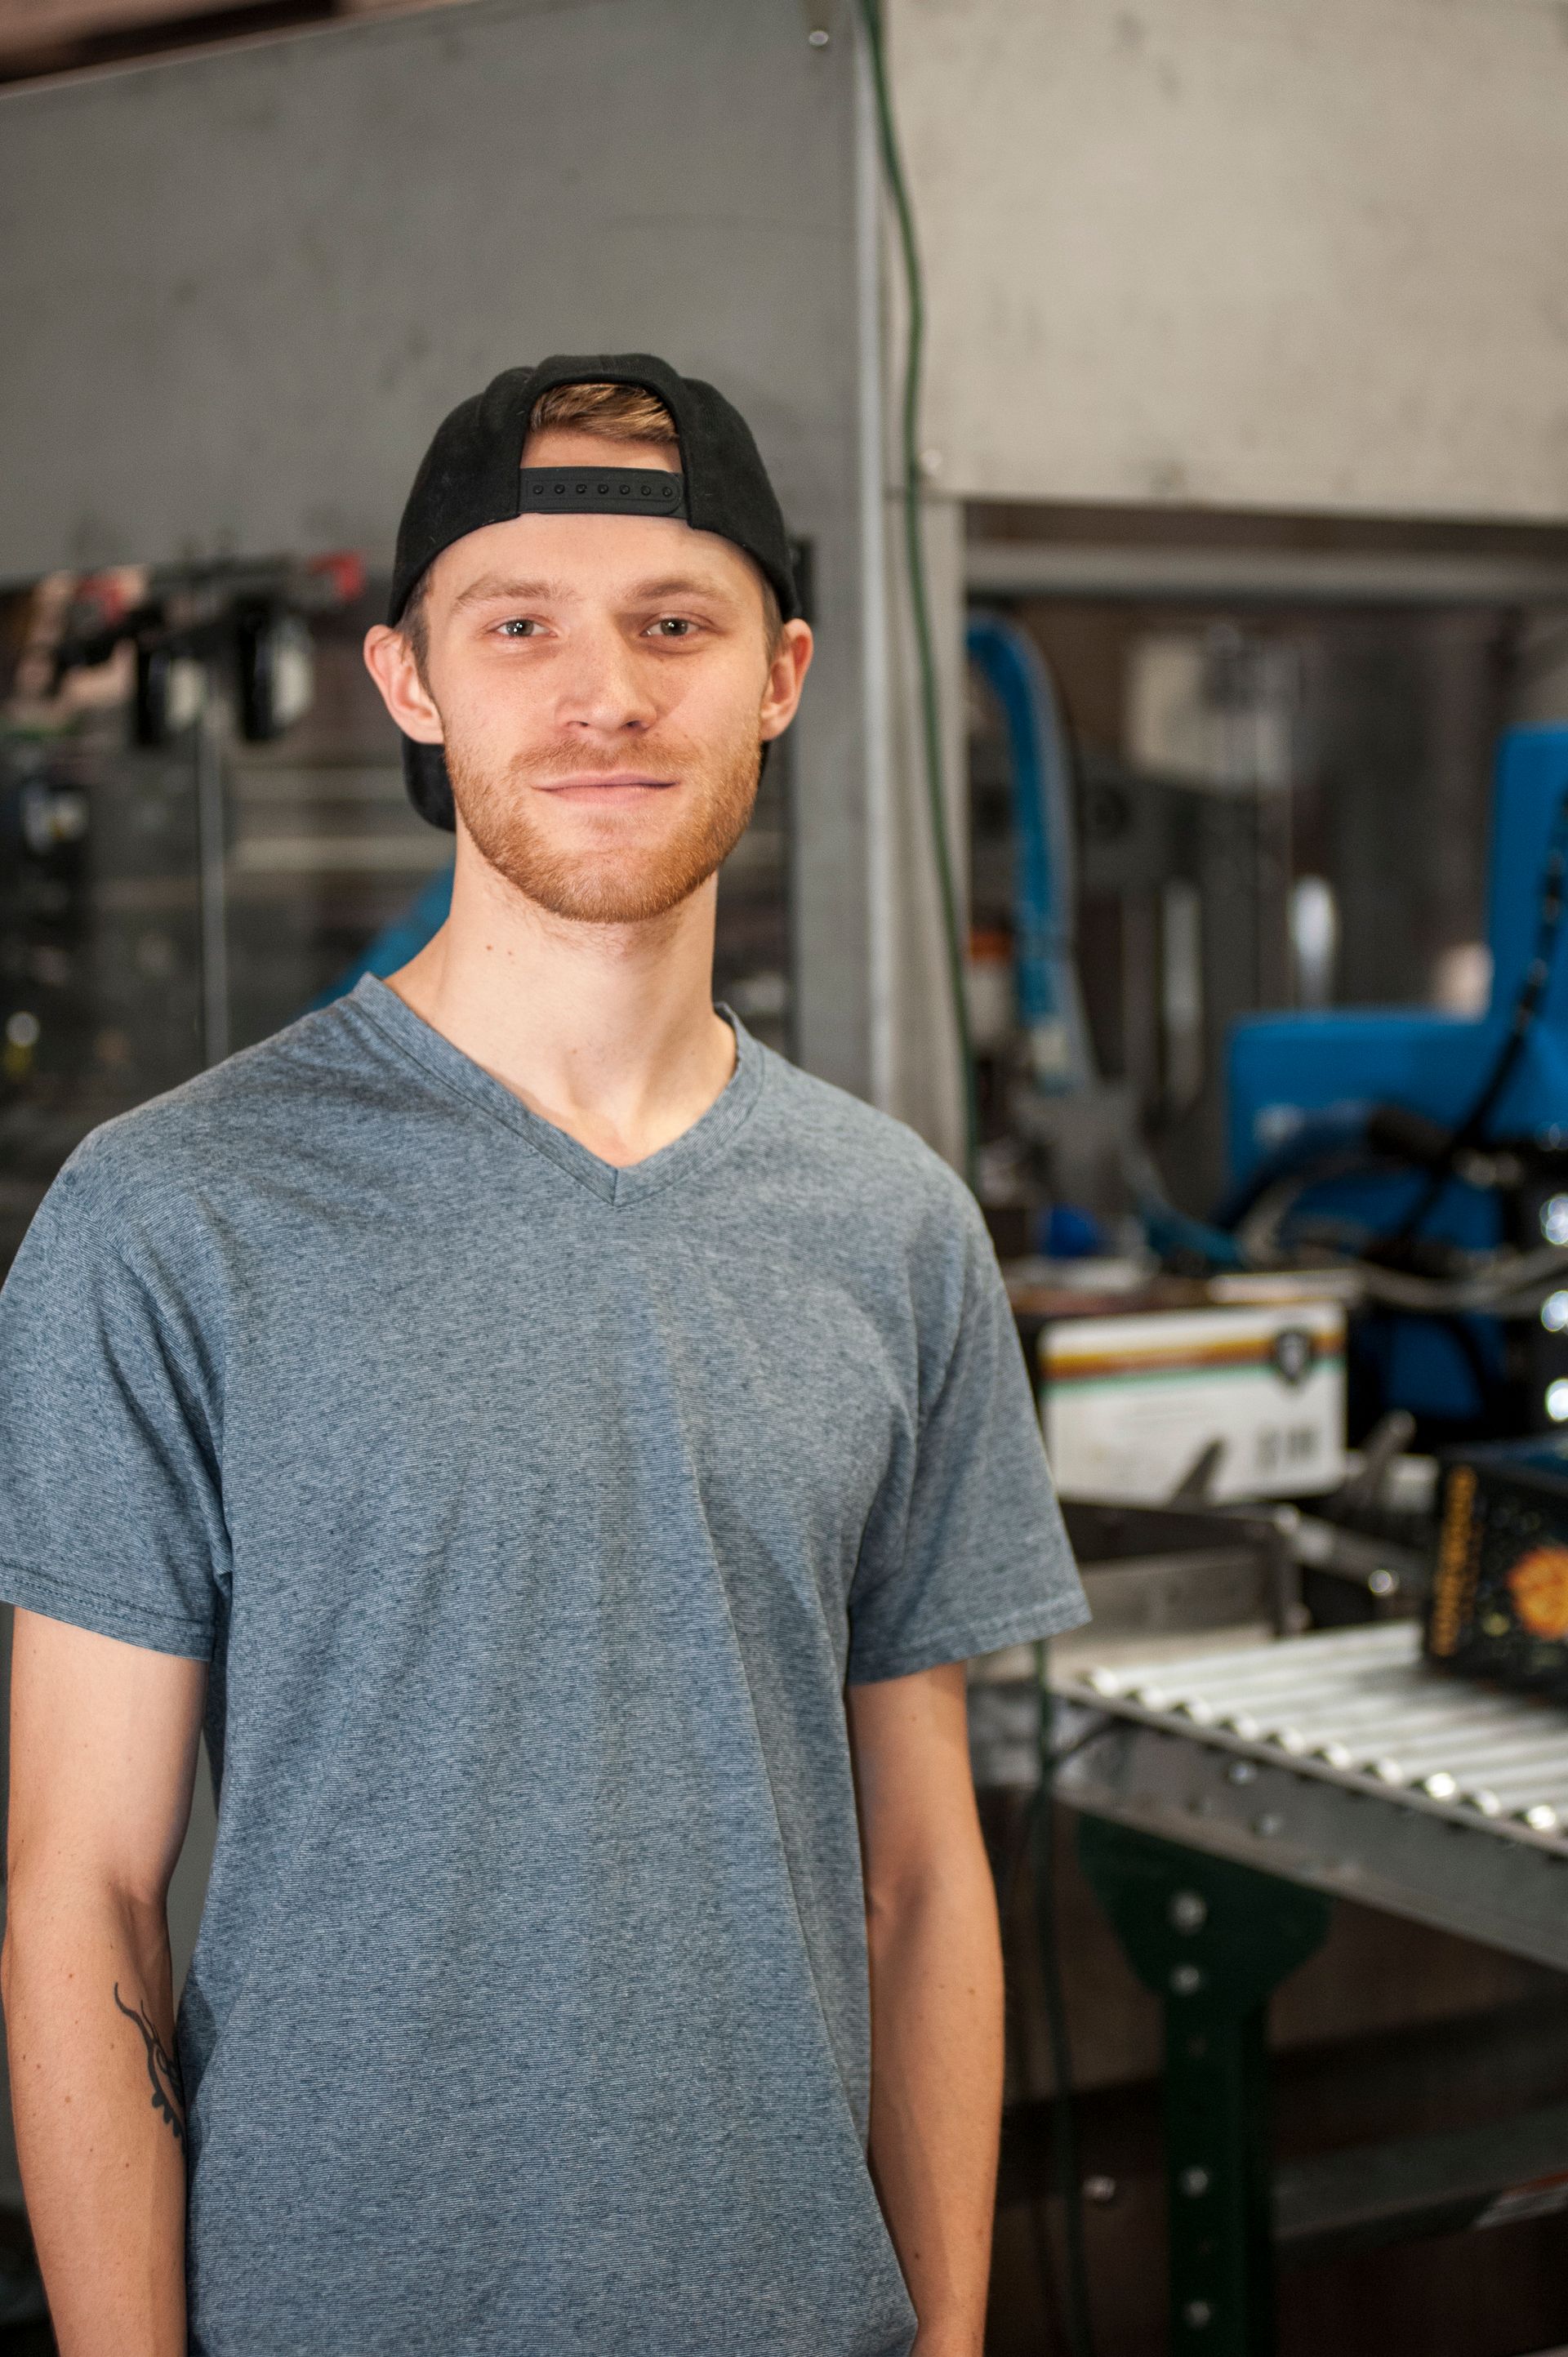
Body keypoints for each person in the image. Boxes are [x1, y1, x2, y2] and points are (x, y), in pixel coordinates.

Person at [0, 353, 1085, 2357]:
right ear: (410, 680)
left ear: (781, 675)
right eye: (521, 627)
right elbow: (83, 1899)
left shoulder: (890, 1224)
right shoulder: (172, 1215)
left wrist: (943, 2342)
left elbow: (925, 1876)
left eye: (677, 622)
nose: (605, 693)